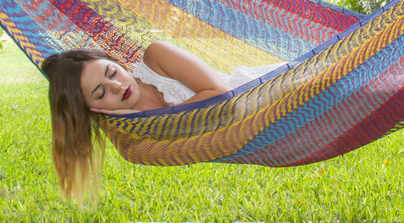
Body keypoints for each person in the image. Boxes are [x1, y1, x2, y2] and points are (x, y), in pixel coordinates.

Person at [41, 41, 283, 201]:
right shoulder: (131, 140)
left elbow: (222, 97)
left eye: (112, 72)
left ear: (118, 62)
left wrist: (152, 122)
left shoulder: (156, 57)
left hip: (269, 88)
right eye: (101, 92)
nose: (117, 86)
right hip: (263, 128)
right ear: (93, 110)